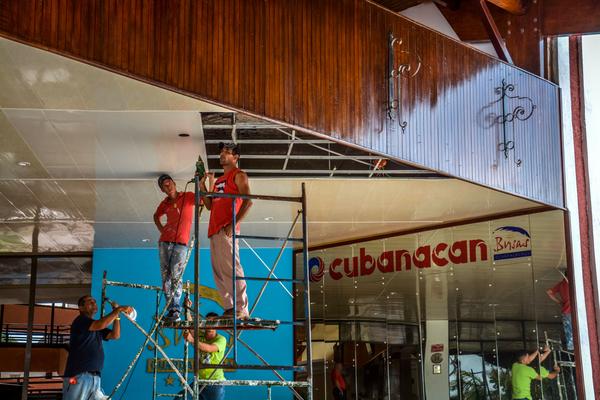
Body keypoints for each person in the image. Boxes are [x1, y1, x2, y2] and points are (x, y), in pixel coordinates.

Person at [200, 142, 252, 319]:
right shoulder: (220, 181)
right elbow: (209, 206)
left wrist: (233, 224)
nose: (222, 155)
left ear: (236, 157)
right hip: (214, 229)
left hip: (226, 228)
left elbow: (248, 201)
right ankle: (230, 307)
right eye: (221, 152)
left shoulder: (239, 175)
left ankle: (241, 308)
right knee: (218, 271)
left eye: (227, 152)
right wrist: (203, 188)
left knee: (231, 268)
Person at [62, 295, 132, 400]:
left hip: (95, 377)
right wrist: (118, 309)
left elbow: (115, 335)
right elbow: (100, 324)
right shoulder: (80, 321)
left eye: (94, 301)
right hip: (78, 375)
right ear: (81, 308)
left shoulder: (96, 326)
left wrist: (117, 315)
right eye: (90, 301)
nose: (94, 303)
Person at [154, 174, 196, 322]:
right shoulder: (164, 203)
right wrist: (163, 230)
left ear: (174, 183)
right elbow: (156, 216)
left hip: (181, 244)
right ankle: (170, 308)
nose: (168, 186)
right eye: (165, 185)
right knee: (166, 276)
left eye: (169, 182)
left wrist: (203, 181)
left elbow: (204, 199)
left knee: (176, 275)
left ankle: (176, 308)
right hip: (165, 242)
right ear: (162, 189)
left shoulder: (188, 196)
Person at [182, 300, 227, 400]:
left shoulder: (221, 339)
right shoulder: (200, 335)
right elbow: (190, 325)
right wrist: (187, 309)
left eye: (213, 322)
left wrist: (192, 340)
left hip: (215, 383)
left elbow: (210, 348)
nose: (210, 325)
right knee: (181, 397)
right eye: (208, 322)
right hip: (199, 381)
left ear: (218, 325)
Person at [546, 277, 574, 351]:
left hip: (566, 310)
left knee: (569, 332)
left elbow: (549, 292)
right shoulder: (574, 282)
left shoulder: (561, 284)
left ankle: (573, 348)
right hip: (576, 309)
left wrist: (559, 302)